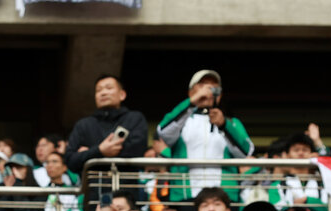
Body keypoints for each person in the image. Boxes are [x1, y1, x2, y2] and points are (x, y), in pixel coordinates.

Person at [157, 69, 254, 202]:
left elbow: (245, 152)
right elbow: (163, 132)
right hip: (186, 195)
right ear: (191, 92)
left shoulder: (232, 122)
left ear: (220, 95)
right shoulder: (182, 121)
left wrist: (224, 125)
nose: (209, 90)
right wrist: (191, 103)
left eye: (214, 87)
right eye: (202, 85)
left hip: (224, 197)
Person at [64, 74, 150, 184]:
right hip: (93, 192)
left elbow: (138, 150)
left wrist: (90, 153)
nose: (103, 93)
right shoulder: (83, 125)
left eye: (109, 88)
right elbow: (71, 161)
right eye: (98, 90)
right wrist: (99, 150)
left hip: (126, 190)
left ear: (122, 94)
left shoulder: (134, 118)